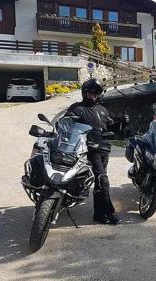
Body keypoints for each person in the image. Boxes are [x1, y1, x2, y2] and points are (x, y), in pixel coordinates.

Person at [65, 78, 121, 225]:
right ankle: (110, 212)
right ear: (85, 93)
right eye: (91, 93)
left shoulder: (102, 110)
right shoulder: (76, 108)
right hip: (88, 151)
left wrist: (122, 124)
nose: (94, 96)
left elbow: (111, 129)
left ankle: (99, 214)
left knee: (99, 183)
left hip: (103, 150)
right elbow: (65, 125)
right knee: (103, 181)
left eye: (96, 94)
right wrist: (69, 120)